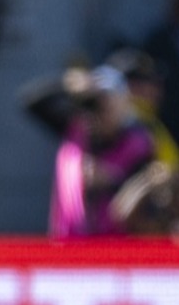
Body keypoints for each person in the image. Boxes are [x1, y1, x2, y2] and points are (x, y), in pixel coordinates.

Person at [49, 66, 155, 240]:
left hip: (115, 244)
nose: (100, 113)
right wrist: (72, 86)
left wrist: (111, 180)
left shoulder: (139, 142)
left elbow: (150, 190)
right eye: (96, 106)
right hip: (70, 243)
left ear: (123, 103)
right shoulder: (77, 136)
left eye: (108, 104)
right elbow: (34, 103)